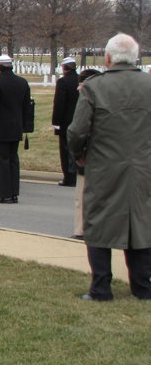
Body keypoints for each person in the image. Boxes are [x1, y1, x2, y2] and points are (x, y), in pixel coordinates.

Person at [67, 33, 151, 301]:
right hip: (143, 166)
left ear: (108, 58)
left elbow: (77, 131)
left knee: (99, 223)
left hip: (104, 165)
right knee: (141, 222)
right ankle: (142, 286)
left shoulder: (94, 87)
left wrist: (79, 154)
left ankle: (101, 287)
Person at [0, 54, 32, 204]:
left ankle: (4, 194)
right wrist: (23, 125)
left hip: (1, 128)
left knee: (2, 161)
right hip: (16, 127)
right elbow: (26, 107)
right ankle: (13, 194)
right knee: (13, 161)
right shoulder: (22, 82)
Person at [72, 68, 101, 240]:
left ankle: (81, 229)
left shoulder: (86, 96)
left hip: (88, 151)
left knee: (82, 197)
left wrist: (77, 153)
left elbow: (78, 129)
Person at [52, 56, 80, 186]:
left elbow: (59, 103)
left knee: (65, 150)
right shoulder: (81, 80)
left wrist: (56, 122)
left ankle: (69, 177)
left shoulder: (63, 82)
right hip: (80, 119)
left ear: (64, 68)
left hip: (66, 121)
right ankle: (77, 174)